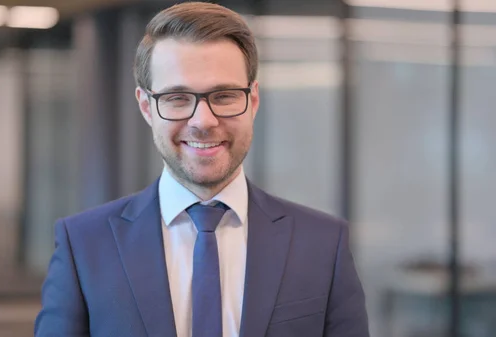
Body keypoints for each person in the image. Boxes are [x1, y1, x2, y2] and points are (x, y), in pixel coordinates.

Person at [34, 2, 369, 337]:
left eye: (223, 96)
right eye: (178, 98)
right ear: (146, 107)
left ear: (252, 100)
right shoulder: (84, 246)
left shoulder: (323, 245)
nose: (203, 121)